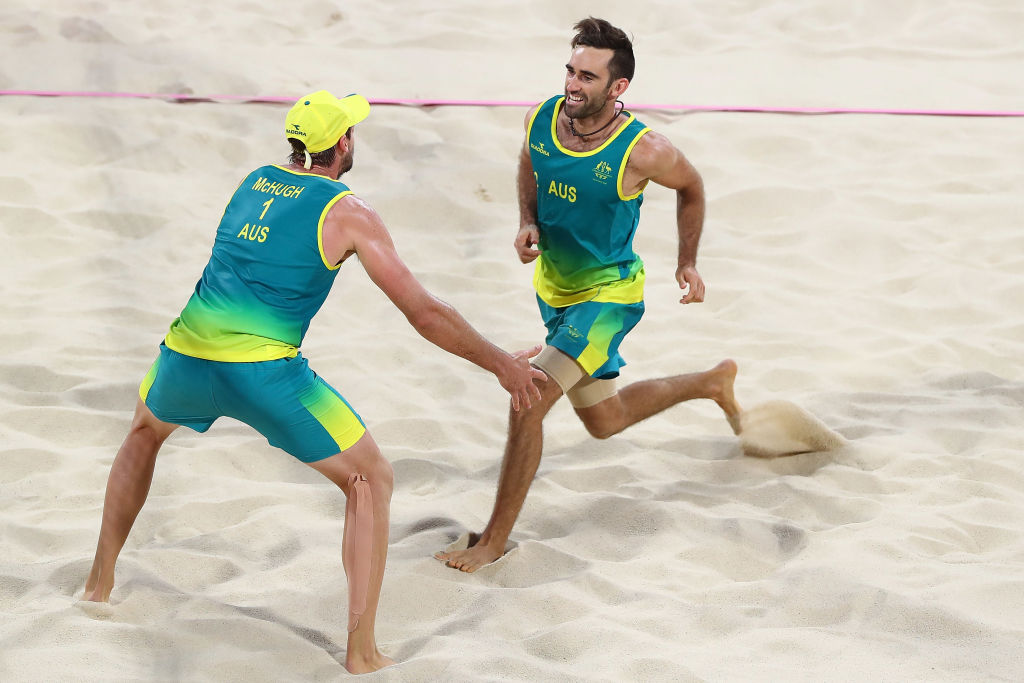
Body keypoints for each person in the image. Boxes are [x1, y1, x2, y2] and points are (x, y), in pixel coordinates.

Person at [82, 90, 545, 673]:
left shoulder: (252, 182)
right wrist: (502, 362)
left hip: (183, 354)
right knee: (370, 478)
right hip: (263, 375)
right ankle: (362, 652)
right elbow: (423, 312)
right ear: (344, 143)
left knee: (144, 431)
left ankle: (98, 585)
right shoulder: (349, 211)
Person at [436, 18, 742, 573]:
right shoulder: (544, 116)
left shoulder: (644, 149)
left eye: (588, 76)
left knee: (526, 398)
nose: (573, 85)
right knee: (606, 420)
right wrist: (528, 219)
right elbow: (530, 159)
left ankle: (494, 541)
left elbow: (693, 187)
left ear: (617, 88)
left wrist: (687, 261)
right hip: (555, 292)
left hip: (608, 296)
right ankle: (711, 382)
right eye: (570, 71)